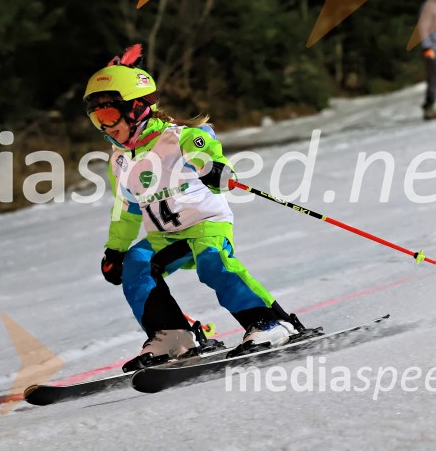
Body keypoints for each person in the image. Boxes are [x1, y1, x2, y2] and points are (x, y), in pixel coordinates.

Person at [84, 44, 303, 371]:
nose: (105, 126)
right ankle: (174, 335)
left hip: (205, 224)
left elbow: (210, 154)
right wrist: (115, 249)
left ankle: (271, 322)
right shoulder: (119, 160)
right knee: (136, 265)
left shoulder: (179, 138)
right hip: (164, 237)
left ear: (137, 108)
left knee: (214, 265)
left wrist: (216, 170)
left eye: (109, 115)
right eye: (96, 117)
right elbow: (127, 209)